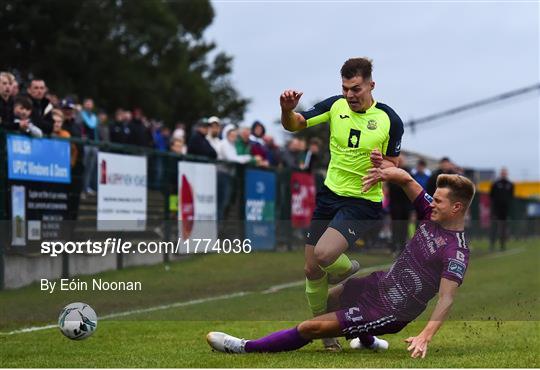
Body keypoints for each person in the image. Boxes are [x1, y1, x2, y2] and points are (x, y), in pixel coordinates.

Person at [207, 162, 475, 359]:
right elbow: (406, 180)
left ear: (456, 208)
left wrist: (425, 336)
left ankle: (243, 347)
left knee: (310, 327)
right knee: (332, 298)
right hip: (379, 284)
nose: (432, 204)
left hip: (389, 311)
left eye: (438, 201)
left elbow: (446, 299)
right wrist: (385, 171)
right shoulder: (432, 213)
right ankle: (368, 341)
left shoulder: (456, 252)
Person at [279, 57, 404, 350]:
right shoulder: (335, 106)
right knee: (312, 270)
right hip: (329, 196)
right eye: (346, 88)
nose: (350, 95)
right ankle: (325, 334)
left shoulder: (390, 119)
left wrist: (380, 165)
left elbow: (393, 163)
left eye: (356, 88)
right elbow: (295, 125)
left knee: (323, 256)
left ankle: (348, 267)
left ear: (371, 85)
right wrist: (287, 111)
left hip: (363, 200)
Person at [387, 154, 413, 255]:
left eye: (402, 160)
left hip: (405, 204)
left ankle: (402, 246)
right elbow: (391, 186)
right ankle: (394, 246)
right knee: (395, 225)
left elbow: (410, 186)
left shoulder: (408, 172)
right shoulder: (392, 171)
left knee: (404, 226)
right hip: (395, 204)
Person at [489, 167, 514, 251]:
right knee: (494, 227)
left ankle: (502, 245)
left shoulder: (510, 184)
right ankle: (492, 244)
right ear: (500, 173)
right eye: (502, 172)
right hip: (496, 209)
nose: (504, 174)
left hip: (505, 210)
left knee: (503, 228)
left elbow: (511, 196)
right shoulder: (495, 184)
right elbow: (491, 195)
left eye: (505, 172)